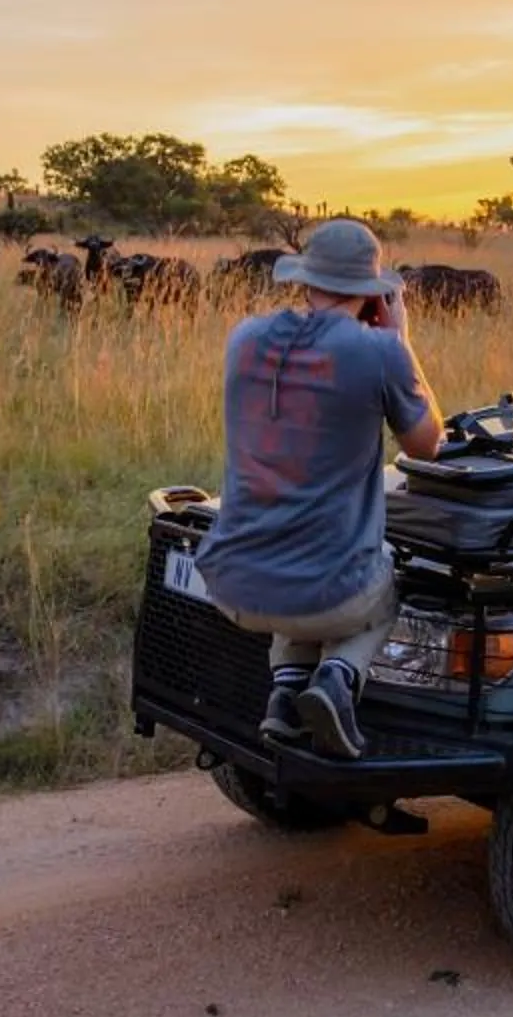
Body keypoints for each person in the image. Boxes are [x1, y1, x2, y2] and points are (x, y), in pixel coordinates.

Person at [191, 218, 445, 760]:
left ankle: (286, 693)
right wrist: (402, 342)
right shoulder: (380, 352)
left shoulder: (243, 338)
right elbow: (428, 446)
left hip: (232, 586)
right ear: (372, 294)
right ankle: (338, 677)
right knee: (385, 579)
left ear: (305, 281)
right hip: (329, 596)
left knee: (296, 551)